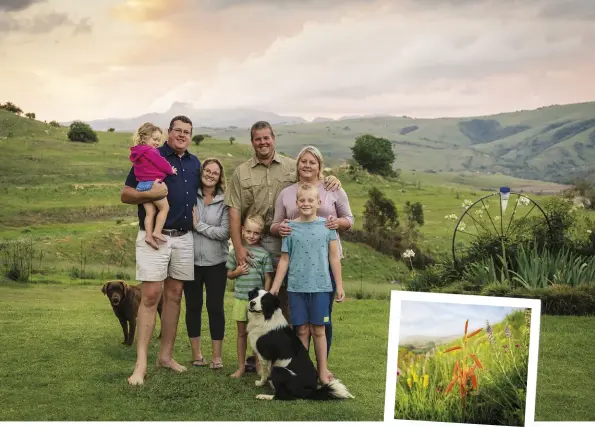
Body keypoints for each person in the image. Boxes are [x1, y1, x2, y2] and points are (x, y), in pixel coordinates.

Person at [225, 121, 342, 321]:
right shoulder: (241, 173)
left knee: (289, 298)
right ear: (252, 142)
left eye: (266, 138)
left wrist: (332, 180)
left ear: (273, 138)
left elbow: (313, 179)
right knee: (260, 301)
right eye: (258, 139)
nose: (263, 142)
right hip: (257, 244)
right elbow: (234, 213)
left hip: (288, 240)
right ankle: (262, 350)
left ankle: (291, 347)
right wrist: (238, 247)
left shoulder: (291, 166)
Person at [121, 115, 200, 386]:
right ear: (168, 133)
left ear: (191, 135)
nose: (182, 135)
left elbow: (207, 191)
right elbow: (126, 194)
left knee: (175, 295)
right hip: (154, 236)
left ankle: (165, 357)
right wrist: (150, 195)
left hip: (184, 238)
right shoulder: (151, 154)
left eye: (187, 132)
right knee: (151, 295)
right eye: (177, 130)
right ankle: (140, 364)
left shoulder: (194, 163)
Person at [270, 145, 354, 361]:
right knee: (300, 320)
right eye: (303, 161)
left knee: (322, 318)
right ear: (297, 165)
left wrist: (337, 222)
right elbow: (275, 224)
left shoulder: (333, 188)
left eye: (312, 162)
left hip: (325, 261)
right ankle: (301, 364)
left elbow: (350, 220)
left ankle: (322, 366)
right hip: (298, 263)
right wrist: (279, 229)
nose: (307, 165)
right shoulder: (288, 193)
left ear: (320, 166)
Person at [270, 183, 346, 385]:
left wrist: (339, 286)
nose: (306, 203)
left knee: (319, 330)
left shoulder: (327, 227)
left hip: (321, 288)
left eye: (310, 200)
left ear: (318, 203)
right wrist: (275, 287)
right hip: (296, 288)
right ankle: (305, 373)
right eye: (302, 200)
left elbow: (334, 258)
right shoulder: (290, 229)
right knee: (301, 330)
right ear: (296, 202)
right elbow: (284, 260)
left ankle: (322, 372)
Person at [184, 158, 229, 370]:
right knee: (193, 307)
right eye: (207, 170)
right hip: (191, 261)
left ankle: (217, 357)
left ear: (220, 177)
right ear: (201, 172)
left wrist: (198, 226)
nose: (210, 175)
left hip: (216, 263)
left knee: (215, 308)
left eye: (215, 172)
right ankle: (197, 355)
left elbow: (224, 233)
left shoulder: (225, 201)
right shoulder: (190, 195)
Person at [226, 214, 273, 378]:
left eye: (256, 233)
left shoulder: (264, 255)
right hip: (240, 299)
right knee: (241, 333)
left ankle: (258, 365)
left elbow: (268, 277)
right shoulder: (235, 253)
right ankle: (241, 367)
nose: (252, 236)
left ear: (261, 234)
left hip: (257, 303)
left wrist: (265, 298)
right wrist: (237, 272)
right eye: (249, 232)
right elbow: (229, 275)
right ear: (242, 230)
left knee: (256, 334)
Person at [129, 122, 178, 250]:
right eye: (155, 139)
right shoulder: (151, 151)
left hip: (142, 185)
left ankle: (149, 236)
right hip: (153, 185)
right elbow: (161, 163)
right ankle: (157, 231)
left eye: (159, 140)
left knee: (150, 213)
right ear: (145, 138)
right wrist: (171, 170)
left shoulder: (137, 153)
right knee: (164, 208)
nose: (157, 143)